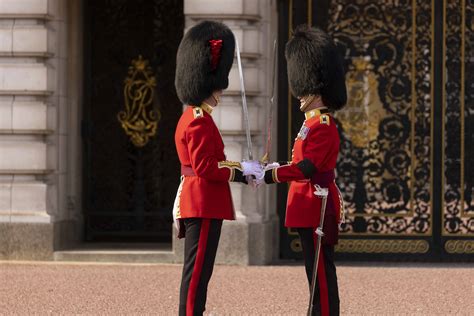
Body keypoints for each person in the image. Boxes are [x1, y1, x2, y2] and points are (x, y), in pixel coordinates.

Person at [173, 20, 263, 316]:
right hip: (203, 204)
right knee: (197, 274)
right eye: (217, 88)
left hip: (202, 202)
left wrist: (242, 167)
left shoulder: (196, 117)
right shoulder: (198, 120)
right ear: (207, 84)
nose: (220, 93)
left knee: (199, 274)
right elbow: (206, 168)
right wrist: (241, 172)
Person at [260, 25, 347, 316]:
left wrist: (271, 175)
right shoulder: (310, 123)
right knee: (314, 269)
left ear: (316, 87)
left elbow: (307, 168)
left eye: (303, 88)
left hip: (317, 206)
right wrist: (274, 167)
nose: (298, 94)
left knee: (320, 271)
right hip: (306, 205)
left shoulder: (322, 125)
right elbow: (299, 163)